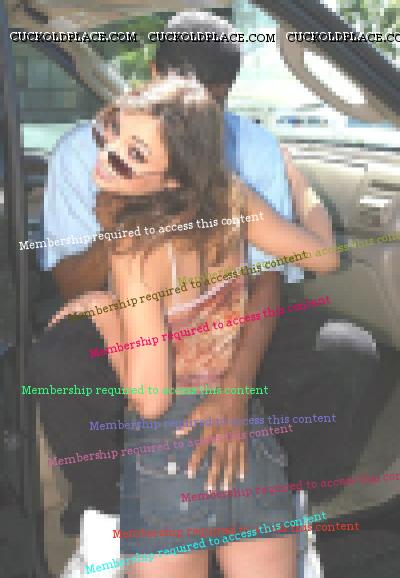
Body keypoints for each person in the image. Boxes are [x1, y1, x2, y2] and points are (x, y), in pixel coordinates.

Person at [47, 74, 338, 578]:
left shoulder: (133, 247)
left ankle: (101, 541)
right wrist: (298, 184)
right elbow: (326, 257)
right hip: (246, 442)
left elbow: (151, 396)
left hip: (167, 457)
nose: (108, 154)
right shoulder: (233, 198)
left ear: (173, 180)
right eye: (112, 130)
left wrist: (106, 314)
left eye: (134, 154)